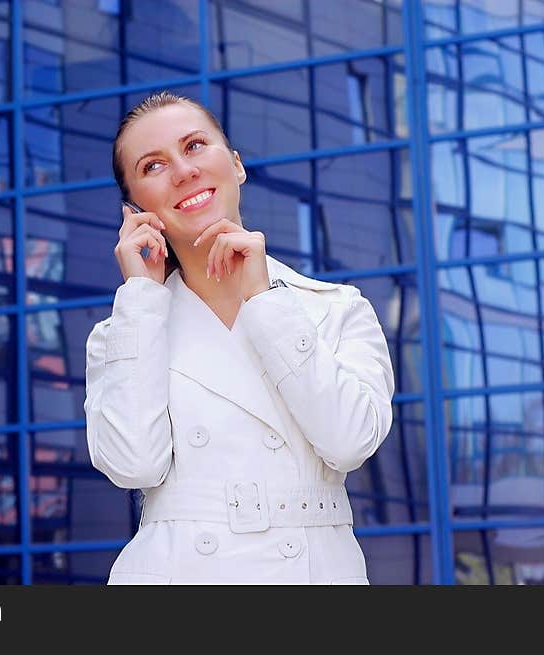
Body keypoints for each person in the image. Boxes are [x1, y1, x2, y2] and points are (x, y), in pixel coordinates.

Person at [83, 91, 395, 584]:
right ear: (134, 209)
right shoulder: (127, 330)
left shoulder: (336, 309)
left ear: (236, 164)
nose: (184, 171)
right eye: (153, 165)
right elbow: (132, 464)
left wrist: (266, 303)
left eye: (194, 146)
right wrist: (140, 295)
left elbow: (351, 441)